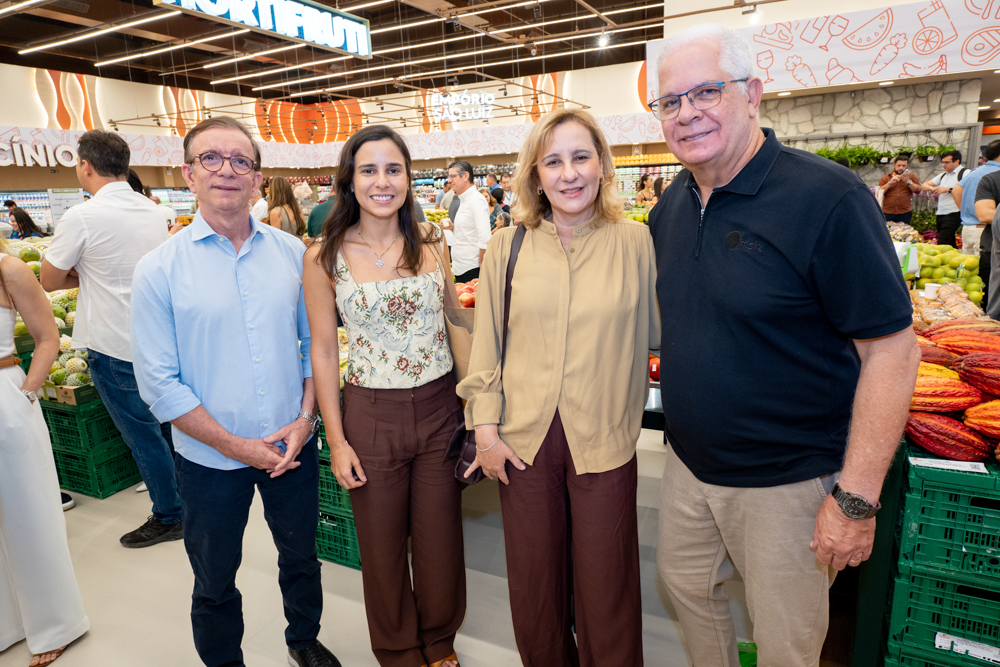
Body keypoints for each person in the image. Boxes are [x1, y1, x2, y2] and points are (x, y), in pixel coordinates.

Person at [650, 23, 920, 667]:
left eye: (706, 92)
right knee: (689, 593)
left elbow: (893, 352)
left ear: (752, 95)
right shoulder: (670, 207)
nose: (687, 113)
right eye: (670, 101)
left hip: (788, 483)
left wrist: (854, 499)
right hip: (688, 467)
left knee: (784, 645)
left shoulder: (827, 198)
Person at [129, 116, 339, 667]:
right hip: (208, 459)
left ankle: (303, 639)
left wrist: (306, 420)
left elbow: (315, 347)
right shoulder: (159, 270)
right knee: (215, 575)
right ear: (188, 174)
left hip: (291, 446)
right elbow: (158, 383)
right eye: (211, 158)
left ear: (257, 177)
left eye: (240, 160)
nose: (226, 170)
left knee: (301, 556)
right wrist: (234, 446)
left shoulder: (293, 254)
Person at [457, 108, 657, 667]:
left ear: (603, 165)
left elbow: (666, 334)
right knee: (535, 584)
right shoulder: (507, 246)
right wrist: (486, 432)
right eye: (553, 162)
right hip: (523, 441)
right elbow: (487, 346)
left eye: (581, 157)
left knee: (608, 583)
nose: (569, 174)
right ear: (535, 174)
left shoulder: (636, 243)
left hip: (605, 438)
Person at [304, 124, 465, 667]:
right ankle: (398, 651)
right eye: (368, 170)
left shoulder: (431, 240)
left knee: (441, 539)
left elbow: (454, 321)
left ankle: (439, 641)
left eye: (393, 169)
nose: (382, 181)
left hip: (442, 408)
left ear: (408, 178)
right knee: (381, 546)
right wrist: (337, 441)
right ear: (349, 180)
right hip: (371, 415)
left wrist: (477, 406)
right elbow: (324, 350)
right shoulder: (322, 256)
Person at [40, 130, 183, 548]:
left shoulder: (82, 216)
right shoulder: (151, 211)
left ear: (85, 165)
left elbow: (49, 280)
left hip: (113, 344)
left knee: (142, 436)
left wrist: (87, 273)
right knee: (169, 428)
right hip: (159, 339)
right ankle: (187, 503)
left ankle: (170, 515)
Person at [0, 236, 90, 667]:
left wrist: (26, 394)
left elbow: (48, 337)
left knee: (29, 516)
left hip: (6, 398)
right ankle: (7, 624)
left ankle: (57, 623)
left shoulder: (9, 269)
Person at [955, 141, 1000, 307]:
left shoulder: (974, 172)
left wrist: (964, 211)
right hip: (983, 232)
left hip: (969, 228)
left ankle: (970, 312)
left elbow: (956, 190)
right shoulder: (994, 174)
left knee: (969, 279)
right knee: (982, 280)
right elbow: (985, 215)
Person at [447, 160, 490, 283]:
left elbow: (485, 236)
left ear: (465, 176)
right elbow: (469, 230)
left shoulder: (476, 200)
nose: (449, 180)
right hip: (461, 267)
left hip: (472, 267)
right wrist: (453, 228)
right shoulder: (464, 199)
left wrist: (482, 262)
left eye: (453, 176)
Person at [921, 150, 968, 248]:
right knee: (949, 243)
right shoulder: (944, 175)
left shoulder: (965, 173)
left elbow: (969, 190)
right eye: (943, 162)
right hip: (941, 213)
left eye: (946, 162)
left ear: (957, 161)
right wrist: (932, 188)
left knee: (942, 243)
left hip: (954, 212)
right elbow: (924, 186)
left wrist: (947, 189)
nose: (943, 165)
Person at [878, 155, 921, 223]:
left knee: (904, 230)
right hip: (887, 213)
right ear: (894, 165)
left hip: (904, 213)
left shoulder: (912, 177)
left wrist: (908, 182)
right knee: (887, 230)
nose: (901, 168)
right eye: (899, 165)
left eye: (903, 166)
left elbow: (918, 190)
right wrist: (890, 183)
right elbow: (879, 192)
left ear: (907, 166)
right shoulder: (885, 178)